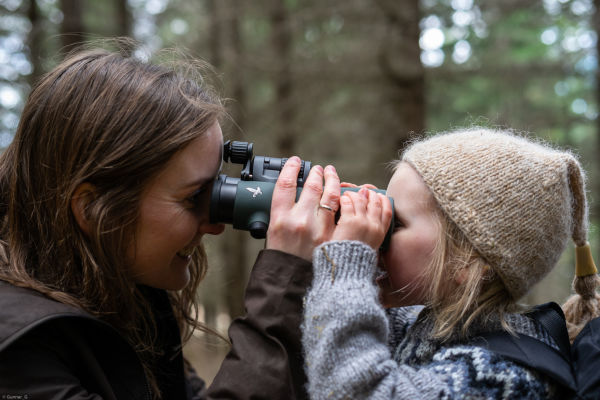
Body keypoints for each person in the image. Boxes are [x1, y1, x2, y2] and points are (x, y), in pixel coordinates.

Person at [0, 44, 341, 399]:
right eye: (194, 197)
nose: (215, 225)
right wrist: (284, 283)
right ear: (92, 209)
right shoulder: (17, 350)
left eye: (216, 192)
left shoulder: (129, 302)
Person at [301, 128, 599, 399]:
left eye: (397, 222)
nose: (379, 232)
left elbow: (353, 391)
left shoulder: (503, 374)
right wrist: (317, 244)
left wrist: (346, 260)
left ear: (466, 264)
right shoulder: (425, 325)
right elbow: (324, 334)